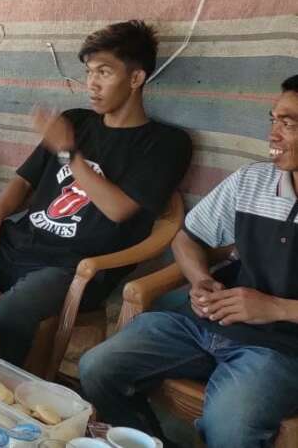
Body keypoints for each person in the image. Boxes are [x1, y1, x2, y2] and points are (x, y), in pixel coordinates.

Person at [0, 20, 192, 366]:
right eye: (88, 72)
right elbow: (23, 182)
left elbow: (118, 209)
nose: (92, 83)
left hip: (76, 267)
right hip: (15, 244)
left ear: (136, 77)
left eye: (104, 72)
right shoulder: (76, 121)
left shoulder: (166, 144)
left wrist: (67, 151)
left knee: (12, 313)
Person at [80, 75, 298, 448]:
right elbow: (187, 238)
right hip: (207, 322)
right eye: (273, 120)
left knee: (230, 428)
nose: (272, 134)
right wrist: (199, 280)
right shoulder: (252, 181)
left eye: (289, 124)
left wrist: (275, 308)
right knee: (98, 367)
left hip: (280, 348)